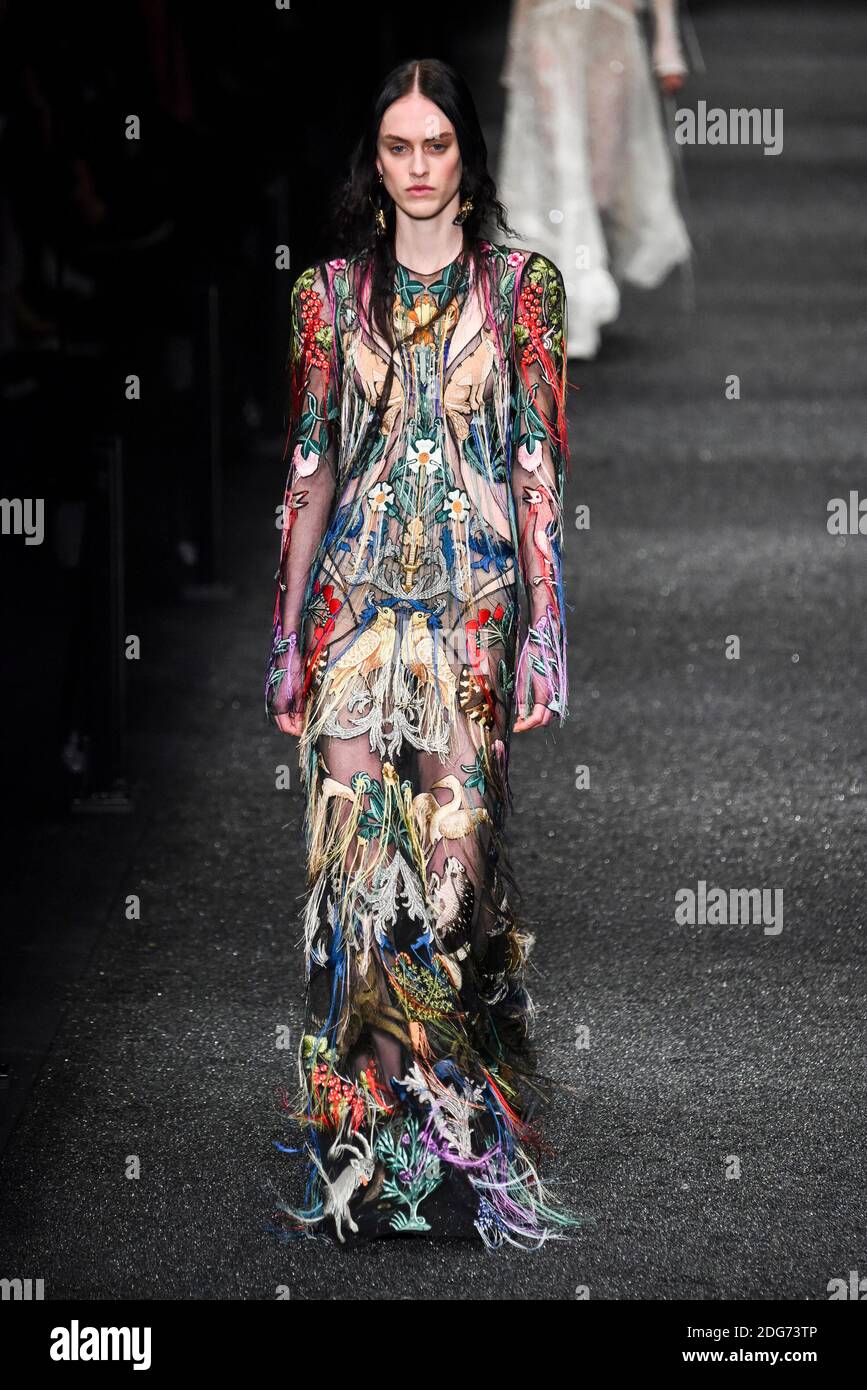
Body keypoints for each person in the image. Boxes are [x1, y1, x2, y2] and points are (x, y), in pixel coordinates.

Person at [264, 57, 582, 1248]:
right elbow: (309, 467)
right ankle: (372, 1150)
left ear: (467, 156)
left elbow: (537, 470)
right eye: (397, 147)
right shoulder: (325, 297)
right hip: (351, 604)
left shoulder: (524, 291)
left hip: (474, 605)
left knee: (450, 875)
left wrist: (547, 636)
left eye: (435, 146)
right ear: (375, 160)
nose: (415, 167)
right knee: (356, 875)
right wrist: (283, 646)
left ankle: (452, 1140)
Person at [497, 0, 692, 358]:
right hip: (547, 21)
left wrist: (667, 43)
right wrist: (515, 47)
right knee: (563, 163)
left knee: (600, 176)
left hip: (612, 23)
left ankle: (576, 283)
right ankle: (574, 306)